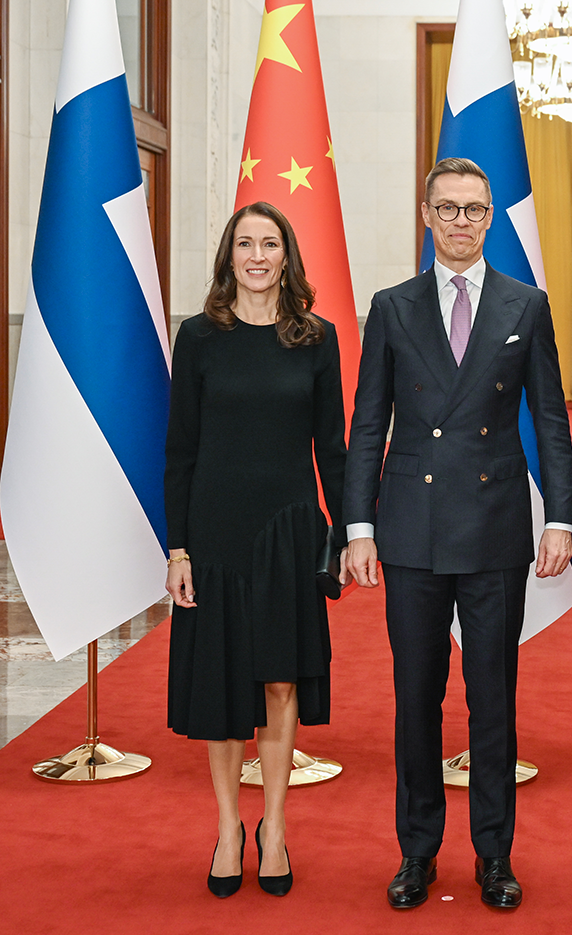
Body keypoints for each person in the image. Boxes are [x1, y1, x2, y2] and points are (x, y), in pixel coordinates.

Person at [342, 157, 572, 911]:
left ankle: (494, 854)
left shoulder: (525, 305)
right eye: (446, 209)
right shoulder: (391, 305)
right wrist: (358, 523)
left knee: (493, 701)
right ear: (425, 214)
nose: (460, 222)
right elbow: (368, 420)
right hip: (409, 528)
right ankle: (417, 852)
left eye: (473, 209)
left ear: (490, 218)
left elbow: (549, 417)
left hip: (493, 527)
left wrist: (564, 516)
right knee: (415, 700)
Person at [165, 202, 347, 899]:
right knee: (221, 684)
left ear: (287, 256)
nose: (258, 255)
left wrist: (351, 528)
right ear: (229, 257)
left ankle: (272, 827)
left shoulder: (316, 338)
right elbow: (179, 450)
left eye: (270, 243)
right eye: (245, 243)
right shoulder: (199, 338)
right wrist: (179, 546)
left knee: (278, 679)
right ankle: (226, 828)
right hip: (214, 534)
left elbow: (331, 445)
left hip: (290, 532)